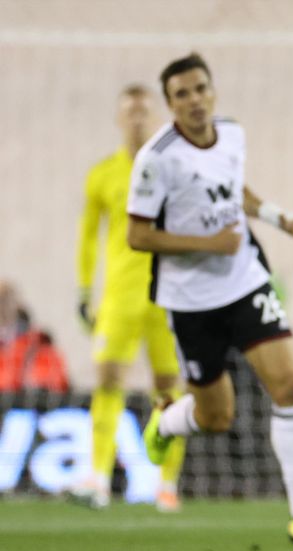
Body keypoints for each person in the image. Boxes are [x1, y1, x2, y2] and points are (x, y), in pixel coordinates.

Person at [126, 53, 293, 547]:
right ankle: (168, 419)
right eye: (182, 95)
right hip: (191, 301)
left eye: (200, 89)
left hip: (245, 282)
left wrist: (272, 213)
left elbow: (230, 189)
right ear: (170, 103)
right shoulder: (156, 159)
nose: (194, 101)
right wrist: (208, 245)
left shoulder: (233, 134)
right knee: (216, 417)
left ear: (212, 91)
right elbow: (137, 235)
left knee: (287, 386)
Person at [69, 84, 187, 511]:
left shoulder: (172, 171)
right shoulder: (102, 174)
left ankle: (167, 484)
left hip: (167, 298)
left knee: (168, 389)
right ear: (120, 119)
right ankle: (98, 478)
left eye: (143, 112)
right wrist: (85, 290)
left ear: (154, 117)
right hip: (119, 298)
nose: (137, 118)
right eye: (130, 112)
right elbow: (87, 238)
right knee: (107, 381)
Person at [0, 281, 69, 393]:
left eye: (5, 300)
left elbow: (53, 384)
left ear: (17, 304)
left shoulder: (40, 345)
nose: (2, 306)